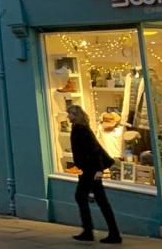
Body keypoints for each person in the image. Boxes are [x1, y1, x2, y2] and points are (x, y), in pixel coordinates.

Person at [68, 105, 122, 244]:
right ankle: (97, 231)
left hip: (91, 169)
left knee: (86, 197)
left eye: (70, 114)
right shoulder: (78, 128)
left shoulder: (82, 129)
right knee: (95, 199)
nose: (68, 116)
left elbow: (95, 149)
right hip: (87, 169)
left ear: (76, 115)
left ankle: (96, 232)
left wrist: (99, 170)